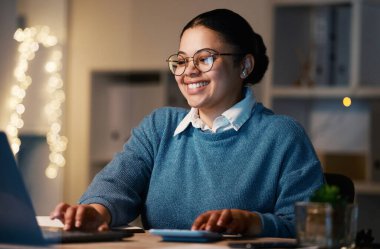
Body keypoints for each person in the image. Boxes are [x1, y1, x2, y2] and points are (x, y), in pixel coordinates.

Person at [51, 9, 324, 238]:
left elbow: (312, 227)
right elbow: (116, 186)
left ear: (244, 66)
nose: (189, 71)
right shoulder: (160, 127)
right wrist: (96, 211)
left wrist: (254, 223)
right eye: (181, 61)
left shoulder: (283, 136)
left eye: (204, 58)